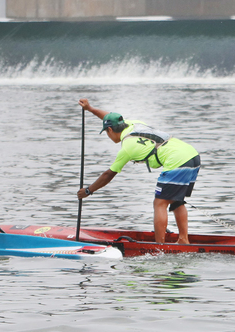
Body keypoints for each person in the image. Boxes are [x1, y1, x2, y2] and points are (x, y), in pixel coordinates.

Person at [76, 99, 201, 245]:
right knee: (176, 201)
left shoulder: (127, 147)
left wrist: (88, 191)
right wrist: (90, 108)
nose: (108, 136)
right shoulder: (132, 124)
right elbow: (108, 117)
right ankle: (183, 240)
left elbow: (108, 175)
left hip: (177, 161)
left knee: (160, 203)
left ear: (110, 130)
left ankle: (160, 248)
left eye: (106, 132)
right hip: (192, 155)